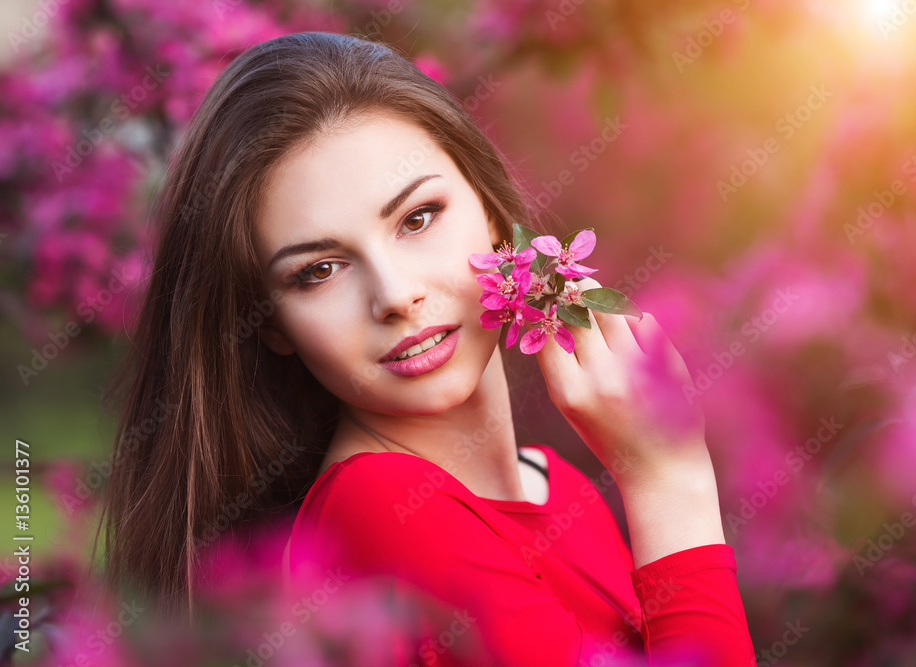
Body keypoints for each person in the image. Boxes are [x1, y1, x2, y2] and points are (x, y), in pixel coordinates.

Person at [98, 31, 755, 665]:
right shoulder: (378, 508)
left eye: (417, 218)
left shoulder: (564, 490)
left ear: (493, 214)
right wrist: (672, 482)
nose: (394, 294)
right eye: (318, 270)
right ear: (269, 324)